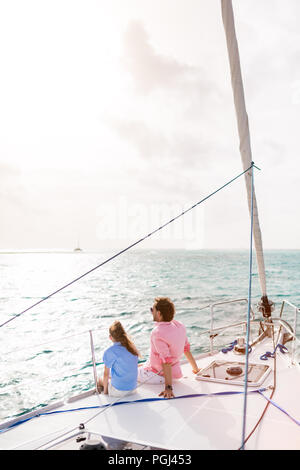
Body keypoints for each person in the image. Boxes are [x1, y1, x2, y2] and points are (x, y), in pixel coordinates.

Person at [138, 297, 200, 399]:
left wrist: (168, 388)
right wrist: (196, 369)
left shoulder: (157, 332)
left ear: (159, 313)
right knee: (140, 365)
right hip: (174, 373)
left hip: (158, 375)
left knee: (127, 372)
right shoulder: (179, 326)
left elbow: (166, 361)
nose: (151, 312)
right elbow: (186, 349)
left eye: (152, 310)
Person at [97, 321, 139, 397]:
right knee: (112, 375)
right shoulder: (132, 348)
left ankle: (101, 394)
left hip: (119, 392)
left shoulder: (110, 351)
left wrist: (106, 392)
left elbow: (106, 374)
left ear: (110, 337)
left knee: (99, 380)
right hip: (133, 389)